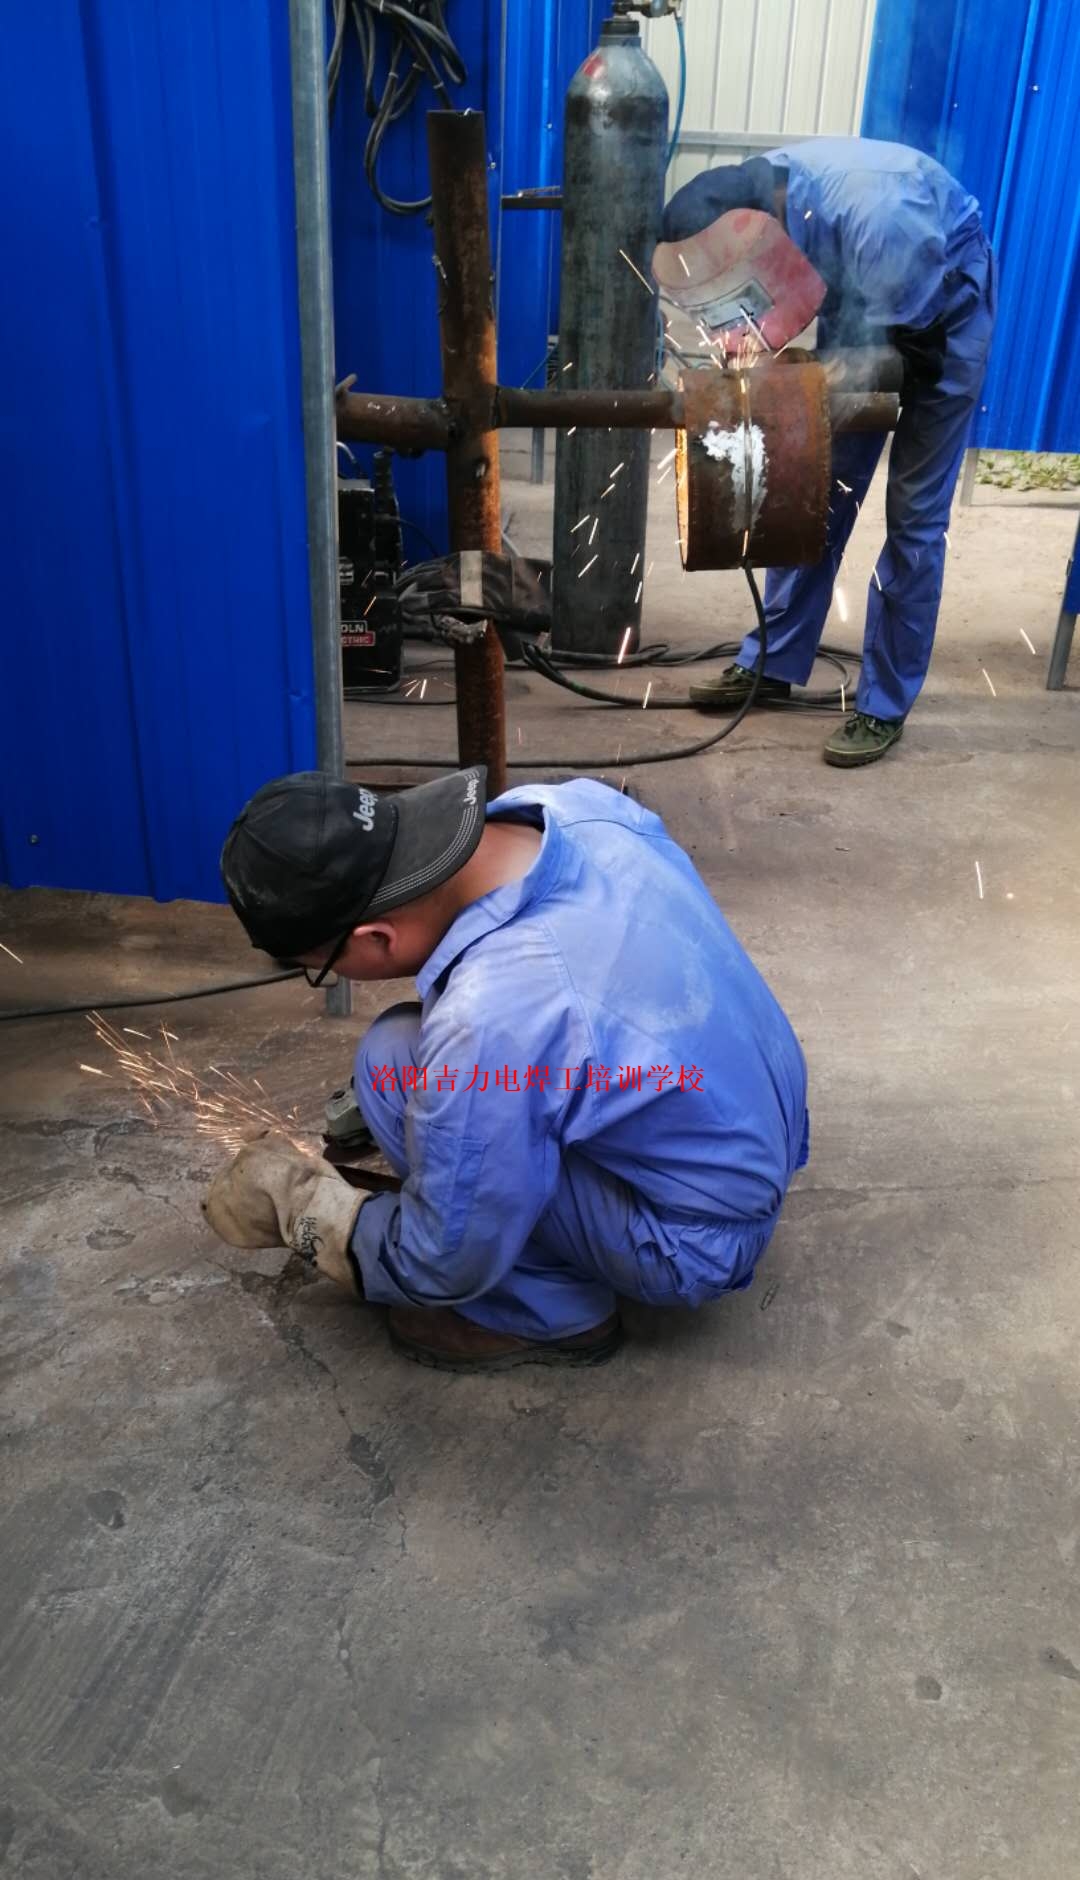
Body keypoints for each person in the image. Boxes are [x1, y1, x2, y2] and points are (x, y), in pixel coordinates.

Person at [203, 766, 809, 1372]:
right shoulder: (569, 807)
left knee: (390, 1064)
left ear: (377, 936)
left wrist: (305, 1209)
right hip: (757, 1132)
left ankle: (546, 1312)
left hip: (692, 1243)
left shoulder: (489, 1015)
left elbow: (442, 1260)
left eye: (323, 966)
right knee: (417, 1068)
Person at [659, 138, 996, 767]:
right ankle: (774, 660)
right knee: (820, 484)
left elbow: (917, 358)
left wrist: (841, 374)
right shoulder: (772, 189)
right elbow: (779, 310)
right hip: (870, 291)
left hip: (944, 315)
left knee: (914, 517)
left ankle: (883, 704)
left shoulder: (879, 217)